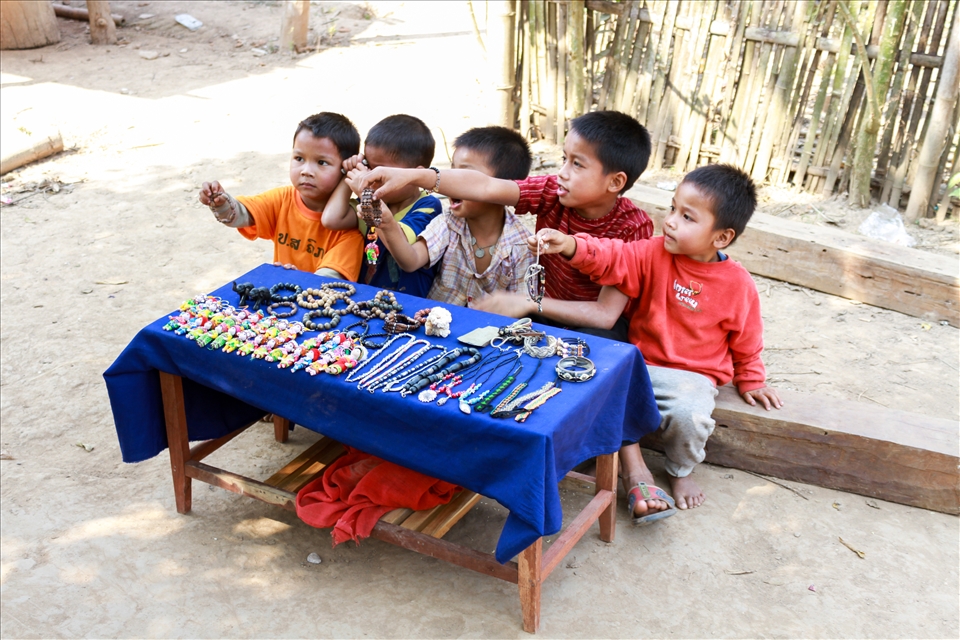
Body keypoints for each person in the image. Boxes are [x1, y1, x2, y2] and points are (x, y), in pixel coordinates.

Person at [530, 163, 784, 520]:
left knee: (689, 416)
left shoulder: (738, 283)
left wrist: (753, 378)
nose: (671, 221)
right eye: (672, 208)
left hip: (692, 379)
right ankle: (614, 459)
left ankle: (680, 470)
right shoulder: (651, 252)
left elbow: (747, 338)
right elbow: (611, 255)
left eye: (687, 217)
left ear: (721, 237)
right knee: (598, 381)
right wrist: (571, 244)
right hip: (639, 365)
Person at [357, 110, 654, 338]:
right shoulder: (551, 192)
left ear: (615, 182)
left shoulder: (634, 228)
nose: (561, 172)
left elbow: (605, 315)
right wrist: (415, 176)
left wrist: (527, 302)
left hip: (591, 326)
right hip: (542, 309)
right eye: (564, 158)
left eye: (577, 164)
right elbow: (485, 186)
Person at [367, 126, 534, 306]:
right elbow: (411, 260)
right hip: (432, 323)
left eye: (464, 175)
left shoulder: (522, 245)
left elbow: (522, 307)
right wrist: (388, 224)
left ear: (502, 188)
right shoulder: (448, 223)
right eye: (451, 173)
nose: (451, 183)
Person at [198, 112, 364, 280]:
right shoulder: (283, 199)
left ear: (345, 171)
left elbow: (327, 282)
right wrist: (221, 203)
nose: (306, 171)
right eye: (299, 158)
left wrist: (293, 282)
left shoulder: (349, 230)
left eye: (322, 162)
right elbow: (240, 215)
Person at [322, 114, 442, 297]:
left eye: (379, 172)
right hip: (365, 301)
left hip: (408, 308)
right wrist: (349, 173)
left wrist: (365, 191)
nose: (369, 176)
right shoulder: (372, 199)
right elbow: (332, 219)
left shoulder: (428, 206)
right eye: (368, 167)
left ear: (415, 175)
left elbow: (402, 251)